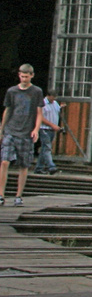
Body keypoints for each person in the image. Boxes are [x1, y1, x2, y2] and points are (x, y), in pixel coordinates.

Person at [1, 64, 45, 205]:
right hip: (11, 130)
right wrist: (2, 129)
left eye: (26, 76)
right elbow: (7, 110)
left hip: (26, 132)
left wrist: (36, 129)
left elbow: (39, 112)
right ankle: (1, 194)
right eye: (22, 76)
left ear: (31, 75)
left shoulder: (36, 91)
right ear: (19, 75)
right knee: (4, 161)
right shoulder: (12, 91)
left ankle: (18, 195)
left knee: (24, 164)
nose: (24, 79)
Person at [37, 90, 62, 174]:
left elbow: (57, 111)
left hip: (52, 130)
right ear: (48, 95)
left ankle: (39, 168)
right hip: (44, 129)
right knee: (47, 147)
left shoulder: (55, 103)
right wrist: (52, 125)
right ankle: (51, 166)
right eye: (53, 96)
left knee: (45, 148)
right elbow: (41, 117)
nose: (54, 98)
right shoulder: (42, 104)